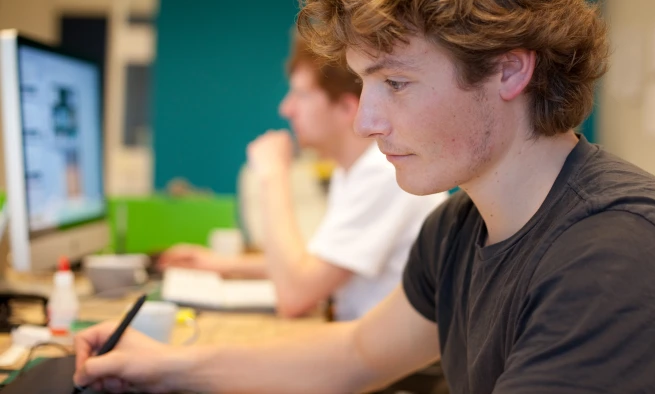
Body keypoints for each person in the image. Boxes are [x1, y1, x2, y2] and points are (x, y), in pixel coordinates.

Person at [74, 0, 655, 393]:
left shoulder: (619, 257)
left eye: (394, 83)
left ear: (509, 68)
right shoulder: (463, 224)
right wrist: (169, 367)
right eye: (365, 83)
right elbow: (356, 357)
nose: (366, 120)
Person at [157, 34, 447, 320]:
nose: (286, 108)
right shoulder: (353, 171)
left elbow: (295, 296)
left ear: (347, 108)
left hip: (399, 365)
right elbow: (313, 266)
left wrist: (273, 174)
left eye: (301, 95)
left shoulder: (383, 175)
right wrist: (220, 264)